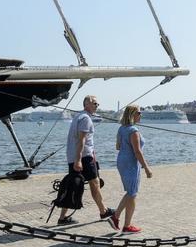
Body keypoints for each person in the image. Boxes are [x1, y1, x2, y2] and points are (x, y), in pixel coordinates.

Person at [59, 95, 114, 225]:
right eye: (94, 103)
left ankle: (62, 217)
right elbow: (81, 140)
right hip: (83, 157)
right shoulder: (86, 119)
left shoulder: (78, 117)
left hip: (75, 156)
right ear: (86, 104)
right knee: (94, 183)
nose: (97, 106)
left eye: (97, 104)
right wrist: (79, 160)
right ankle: (103, 211)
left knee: (73, 185)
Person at [108, 105, 153, 233]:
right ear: (132, 114)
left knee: (131, 193)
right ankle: (116, 217)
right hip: (131, 163)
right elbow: (137, 152)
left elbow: (118, 146)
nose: (141, 115)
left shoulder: (122, 129)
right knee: (132, 192)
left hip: (121, 160)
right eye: (139, 112)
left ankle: (126, 224)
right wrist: (146, 168)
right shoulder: (133, 131)